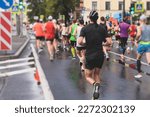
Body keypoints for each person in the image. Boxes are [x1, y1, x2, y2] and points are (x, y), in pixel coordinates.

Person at [78, 11, 111, 99]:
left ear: (89, 18)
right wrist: (102, 44)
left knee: (88, 76)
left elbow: (80, 42)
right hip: (100, 54)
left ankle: (95, 85)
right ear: (97, 18)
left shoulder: (85, 28)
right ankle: (96, 94)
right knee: (96, 74)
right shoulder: (102, 28)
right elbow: (109, 42)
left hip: (90, 54)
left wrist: (86, 43)